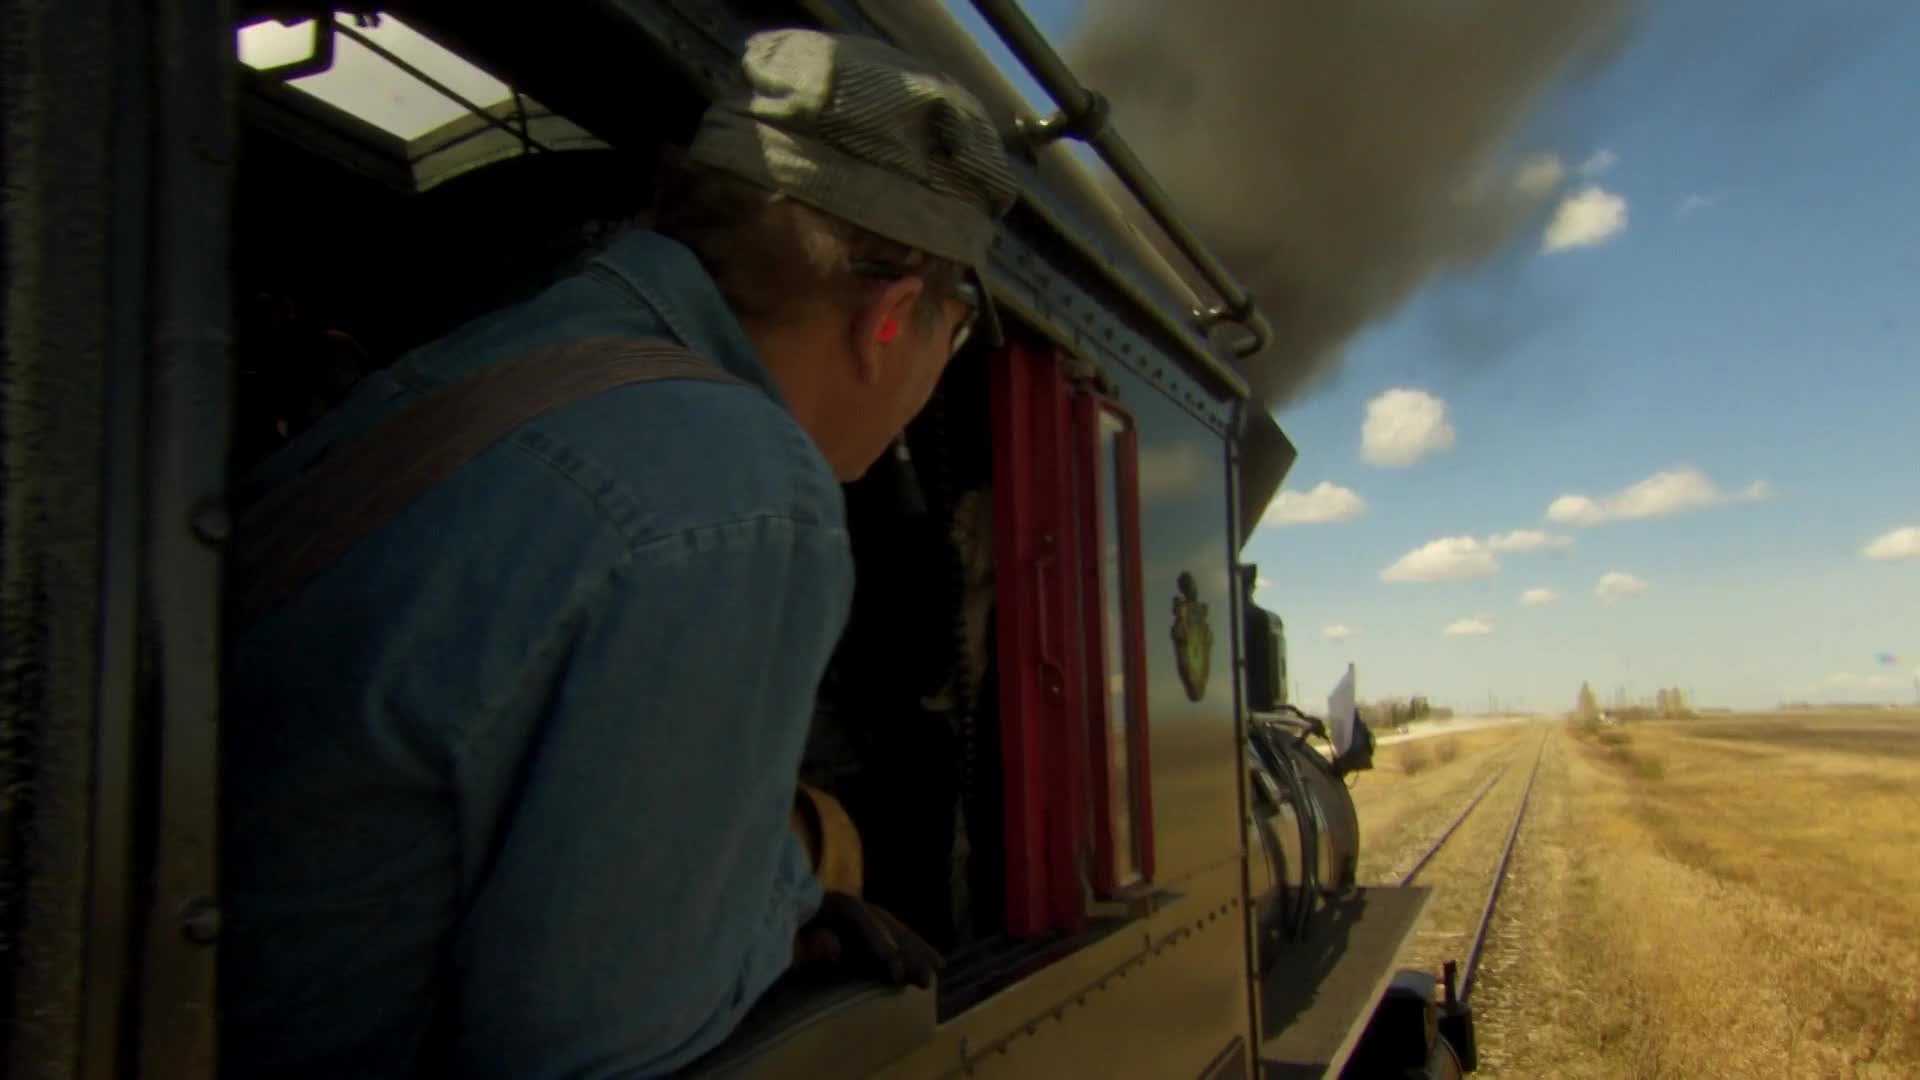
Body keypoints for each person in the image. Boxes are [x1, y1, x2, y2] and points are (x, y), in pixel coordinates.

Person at [218, 27, 1017, 1080]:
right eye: (952, 336)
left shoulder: (481, 364)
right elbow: (601, 1037)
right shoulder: (750, 488)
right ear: (893, 314)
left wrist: (775, 896)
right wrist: (774, 919)